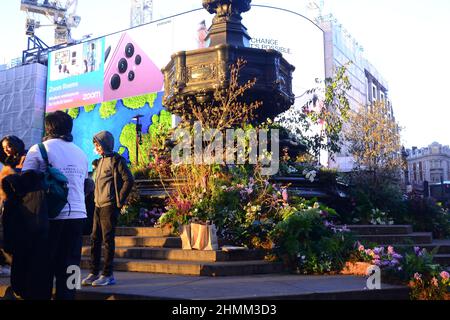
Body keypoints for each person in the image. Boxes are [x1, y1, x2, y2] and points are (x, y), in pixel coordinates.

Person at [21, 110, 89, 300]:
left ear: (48, 127)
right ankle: (69, 295)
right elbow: (84, 184)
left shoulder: (39, 149)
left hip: (50, 216)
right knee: (72, 264)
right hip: (78, 215)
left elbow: (26, 182)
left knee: (43, 264)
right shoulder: (81, 153)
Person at [82, 131, 134, 286]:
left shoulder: (117, 160)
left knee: (107, 241)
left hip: (109, 206)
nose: (96, 147)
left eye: (97, 144)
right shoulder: (99, 162)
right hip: (97, 206)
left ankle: (108, 274)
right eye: (95, 145)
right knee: (94, 239)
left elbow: (128, 180)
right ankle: (93, 272)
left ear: (105, 144)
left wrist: (118, 202)